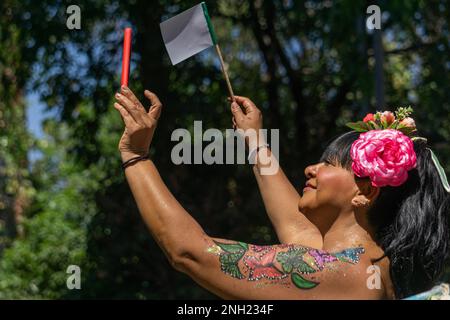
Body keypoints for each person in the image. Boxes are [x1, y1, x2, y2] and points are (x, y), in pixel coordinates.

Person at [113, 86, 450, 299]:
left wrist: (136, 156)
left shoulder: (347, 275)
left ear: (366, 192)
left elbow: (191, 253)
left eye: (329, 163)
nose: (311, 169)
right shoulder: (361, 268)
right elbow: (299, 231)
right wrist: (255, 143)